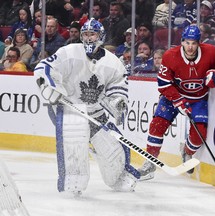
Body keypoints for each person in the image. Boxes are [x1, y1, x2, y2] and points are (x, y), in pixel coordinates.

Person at [33, 18, 140, 193]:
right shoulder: (69, 52)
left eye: (93, 34)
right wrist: (49, 85)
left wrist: (117, 101)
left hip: (95, 112)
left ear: (101, 36)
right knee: (74, 141)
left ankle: (118, 176)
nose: (89, 38)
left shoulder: (113, 62)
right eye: (86, 34)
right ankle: (72, 185)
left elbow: (118, 87)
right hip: (69, 108)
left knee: (114, 148)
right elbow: (44, 67)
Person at [137, 25, 215, 181]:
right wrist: (178, 100)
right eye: (187, 42)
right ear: (182, 42)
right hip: (172, 97)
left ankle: (187, 152)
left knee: (199, 134)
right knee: (157, 124)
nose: (190, 47)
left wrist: (214, 76)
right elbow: (163, 84)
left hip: (198, 98)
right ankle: (150, 161)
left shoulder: (210, 52)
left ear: (199, 43)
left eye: (194, 43)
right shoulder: (170, 55)